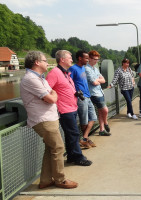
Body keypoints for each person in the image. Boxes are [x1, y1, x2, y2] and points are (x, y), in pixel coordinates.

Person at [20, 51, 78, 189]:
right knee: (58, 147)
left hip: (50, 118)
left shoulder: (40, 78)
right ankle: (60, 179)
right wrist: (54, 93)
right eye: (45, 60)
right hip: (43, 120)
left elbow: (51, 94)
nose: (47, 63)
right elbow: (51, 98)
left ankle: (45, 180)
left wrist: (52, 93)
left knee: (50, 149)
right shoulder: (31, 79)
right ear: (37, 62)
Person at [47, 50, 93, 166]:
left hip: (72, 107)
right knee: (74, 133)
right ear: (62, 59)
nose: (72, 59)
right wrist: (56, 100)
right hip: (64, 109)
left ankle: (71, 156)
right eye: (70, 57)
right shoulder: (55, 72)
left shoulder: (65, 73)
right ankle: (78, 157)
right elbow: (46, 90)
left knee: (70, 134)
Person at [85, 50, 111, 137]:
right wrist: (99, 81)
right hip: (94, 94)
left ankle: (102, 130)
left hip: (100, 92)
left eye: (97, 59)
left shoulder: (95, 69)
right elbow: (94, 83)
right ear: (89, 59)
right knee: (105, 110)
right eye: (95, 59)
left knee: (100, 112)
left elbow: (103, 80)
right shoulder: (87, 69)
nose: (96, 61)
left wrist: (98, 80)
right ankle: (106, 123)